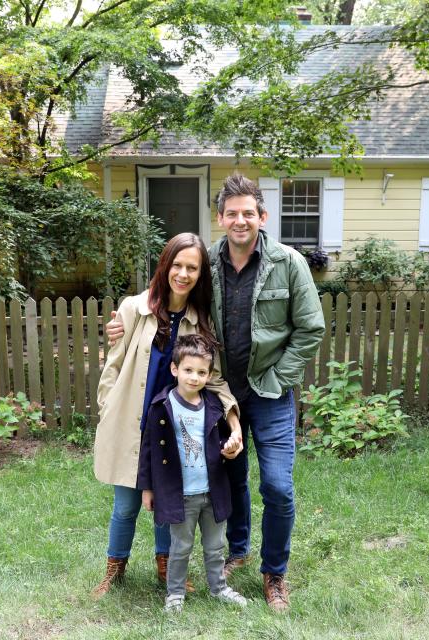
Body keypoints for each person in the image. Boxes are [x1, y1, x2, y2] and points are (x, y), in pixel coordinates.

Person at [107, 174, 325, 611]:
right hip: (221, 398)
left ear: (262, 216)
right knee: (231, 480)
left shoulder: (288, 263)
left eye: (249, 213)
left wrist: (280, 377)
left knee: (278, 487)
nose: (240, 220)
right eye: (231, 213)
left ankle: (274, 574)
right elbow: (172, 290)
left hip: (270, 394)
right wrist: (124, 318)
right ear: (220, 219)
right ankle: (237, 550)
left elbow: (310, 329)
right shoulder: (208, 262)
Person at [92, 232, 243, 599]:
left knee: (168, 499)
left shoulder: (200, 319)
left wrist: (233, 419)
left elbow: (214, 377)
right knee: (126, 505)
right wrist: (107, 407)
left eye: (192, 267)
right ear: (165, 265)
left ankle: (166, 565)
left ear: (199, 274)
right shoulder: (133, 309)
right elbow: (112, 367)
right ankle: (115, 568)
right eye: (177, 264)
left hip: (174, 427)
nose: (183, 273)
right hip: (131, 422)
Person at [138, 334, 249, 612]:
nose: (194, 377)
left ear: (209, 375)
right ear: (175, 369)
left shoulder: (213, 405)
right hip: (180, 494)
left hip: (212, 491)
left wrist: (230, 445)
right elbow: (148, 450)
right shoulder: (161, 406)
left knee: (215, 546)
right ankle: (175, 594)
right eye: (188, 370)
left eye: (201, 372)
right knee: (181, 547)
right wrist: (148, 489)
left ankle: (219, 587)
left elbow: (226, 442)